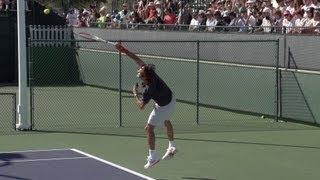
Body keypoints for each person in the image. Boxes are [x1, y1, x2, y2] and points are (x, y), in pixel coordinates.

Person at [115, 42, 177, 169]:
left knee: (149, 129)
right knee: (166, 120)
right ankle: (172, 145)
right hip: (171, 99)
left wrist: (135, 94)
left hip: (163, 106)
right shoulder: (150, 73)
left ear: (145, 76)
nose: (139, 69)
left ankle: (152, 157)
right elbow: (136, 59)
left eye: (140, 70)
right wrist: (123, 49)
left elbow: (141, 106)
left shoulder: (149, 89)